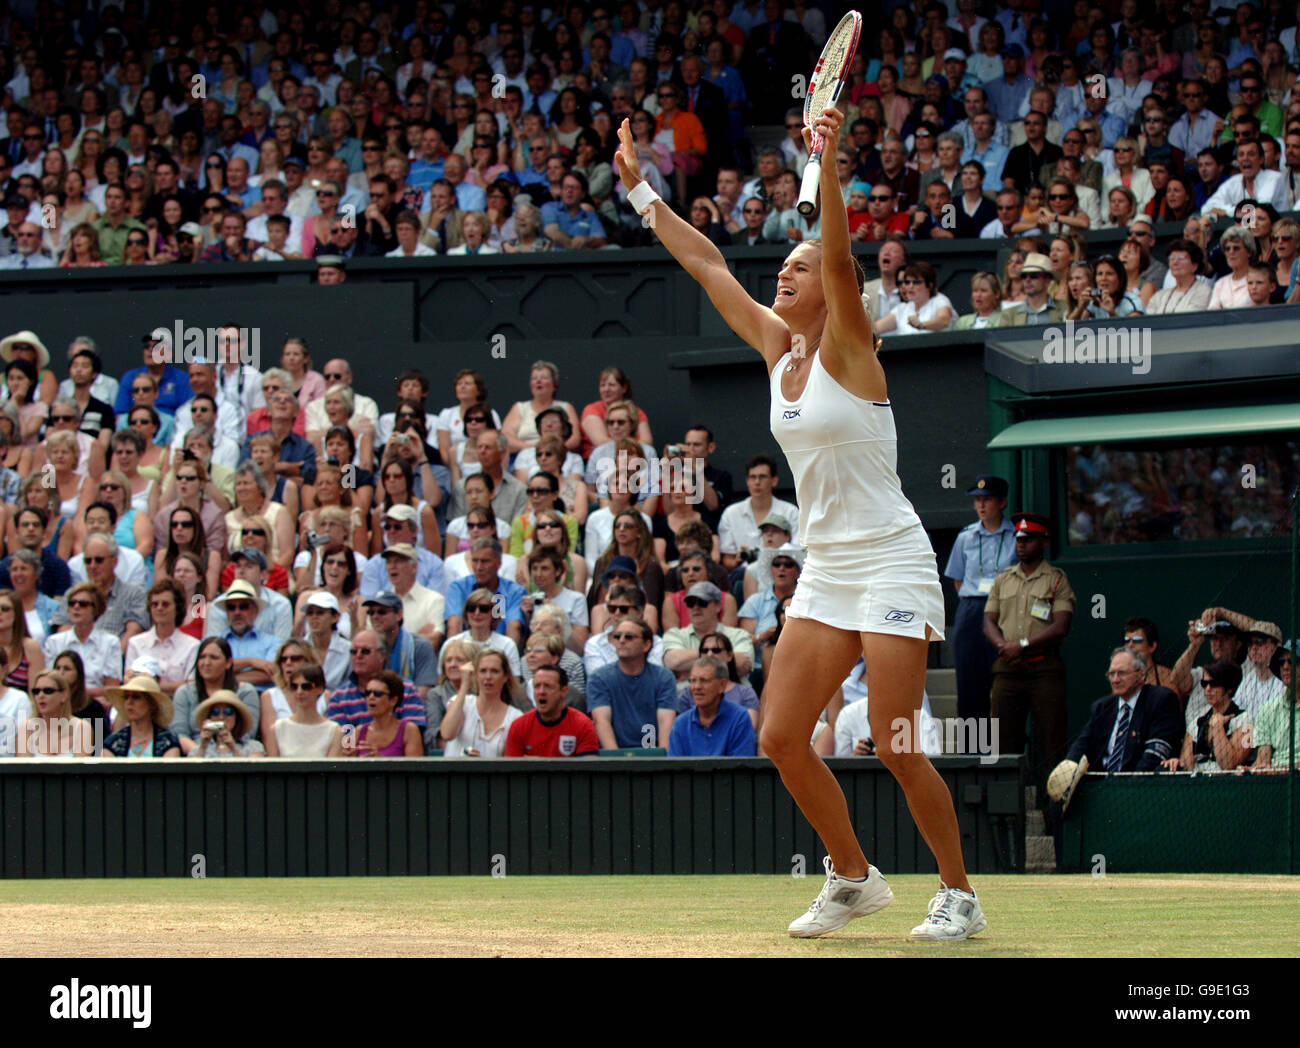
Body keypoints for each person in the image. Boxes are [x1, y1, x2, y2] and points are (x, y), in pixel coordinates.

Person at [617, 103, 983, 937]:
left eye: (798, 267)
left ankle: (958, 892)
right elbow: (708, 263)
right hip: (825, 566)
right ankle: (853, 877)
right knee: (782, 736)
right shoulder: (778, 345)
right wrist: (641, 192)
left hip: (890, 558)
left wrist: (830, 159)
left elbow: (844, 258)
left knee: (895, 743)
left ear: (831, 284)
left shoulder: (854, 345)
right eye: (781, 265)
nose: (782, 275)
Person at [983, 512, 1075, 822]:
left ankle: (1054, 814)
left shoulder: (1057, 580)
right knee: (1002, 742)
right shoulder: (1003, 578)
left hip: (1043, 668)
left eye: (1029, 540)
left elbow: (1061, 626)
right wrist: (1002, 646)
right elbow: (989, 620)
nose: (1021, 546)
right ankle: (1009, 815)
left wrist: (1021, 646)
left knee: (1052, 739)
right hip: (1007, 669)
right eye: (1018, 540)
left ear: (1043, 543)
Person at [943, 475, 1017, 731]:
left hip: (1004, 609)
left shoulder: (1015, 537)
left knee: (1003, 681)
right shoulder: (966, 537)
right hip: (972, 608)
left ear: (1002, 502)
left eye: (987, 500)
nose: (982, 506)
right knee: (969, 681)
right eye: (977, 501)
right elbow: (958, 580)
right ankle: (972, 753)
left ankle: (1003, 750)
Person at [1160, 658, 1254, 772]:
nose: (1208, 689)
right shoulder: (1196, 722)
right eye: (1204, 684)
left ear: (1229, 688)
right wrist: (1177, 763)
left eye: (1214, 684)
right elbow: (1187, 766)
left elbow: (1229, 764)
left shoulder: (1244, 720)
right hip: (1199, 784)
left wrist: (1218, 728)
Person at [440, 648, 525, 756]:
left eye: (494, 671)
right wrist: (465, 685)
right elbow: (447, 734)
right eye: (483, 671)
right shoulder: (462, 702)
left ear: (505, 677)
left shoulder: (515, 717)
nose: (488, 677)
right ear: (476, 675)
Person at [667, 655, 757, 756]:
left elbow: (742, 767)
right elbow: (675, 769)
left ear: (722, 685)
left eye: (704, 680)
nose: (697, 687)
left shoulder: (739, 719)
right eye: (693, 680)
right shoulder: (681, 724)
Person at [504, 663, 599, 757]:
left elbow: (588, 770)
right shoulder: (519, 726)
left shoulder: (583, 725)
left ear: (564, 691)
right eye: (537, 686)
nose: (541, 692)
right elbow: (512, 769)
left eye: (548, 686)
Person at [16, 668, 96, 757]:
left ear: (64, 695)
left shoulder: (82, 728)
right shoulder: (27, 728)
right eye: (36, 691)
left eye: (48, 691)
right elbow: (24, 769)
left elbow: (81, 769)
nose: (41, 696)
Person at [347, 669, 423, 756]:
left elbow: (415, 768)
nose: (371, 697)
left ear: (393, 700)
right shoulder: (359, 731)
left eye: (377, 693)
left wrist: (381, 761)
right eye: (368, 693)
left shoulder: (409, 730)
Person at [102, 676, 181, 757]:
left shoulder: (168, 742)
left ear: (151, 703)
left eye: (136, 697)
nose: (129, 702)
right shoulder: (112, 743)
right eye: (126, 697)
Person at [189, 688, 265, 758]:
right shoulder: (197, 750)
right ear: (210, 717)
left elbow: (252, 771)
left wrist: (233, 747)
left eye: (228, 712)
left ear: (237, 717)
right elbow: (191, 772)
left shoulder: (253, 747)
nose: (221, 717)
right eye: (215, 712)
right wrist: (203, 747)